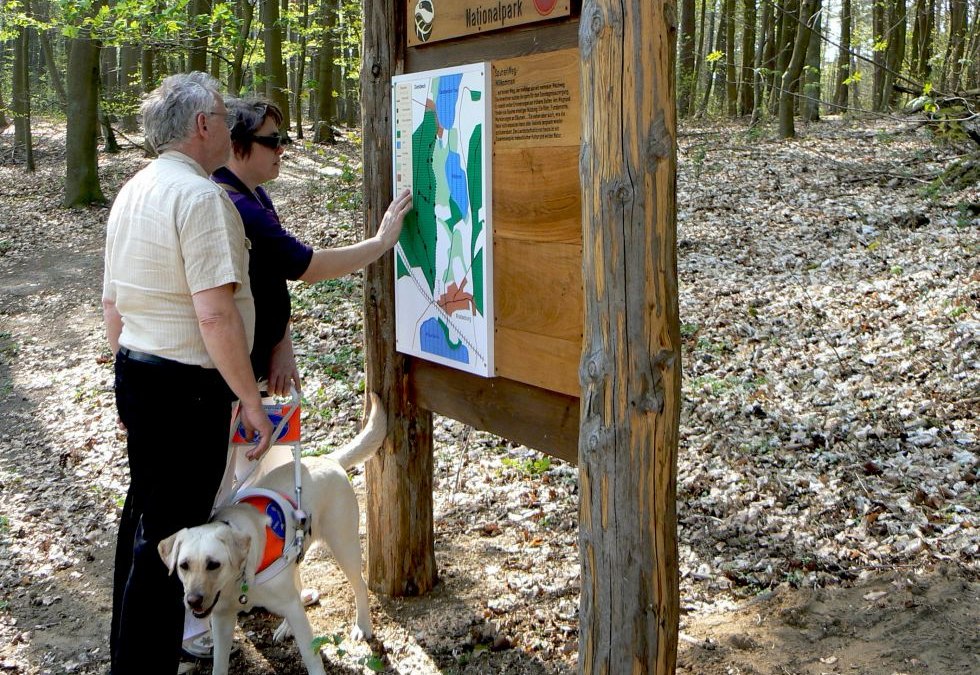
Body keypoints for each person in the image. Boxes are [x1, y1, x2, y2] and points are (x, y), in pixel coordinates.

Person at [101, 72, 274, 675]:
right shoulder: (201, 198)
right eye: (224, 116)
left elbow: (112, 304)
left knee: (145, 522)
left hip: (140, 372)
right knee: (169, 535)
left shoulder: (134, 190)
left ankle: (128, 657)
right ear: (202, 125)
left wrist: (128, 384)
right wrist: (250, 400)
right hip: (185, 390)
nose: (230, 127)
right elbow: (214, 313)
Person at [213, 97, 412, 394]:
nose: (281, 149)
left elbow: (274, 273)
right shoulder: (240, 208)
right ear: (236, 145)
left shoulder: (255, 195)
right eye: (272, 141)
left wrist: (282, 346)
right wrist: (381, 242)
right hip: (234, 373)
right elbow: (309, 267)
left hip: (256, 360)